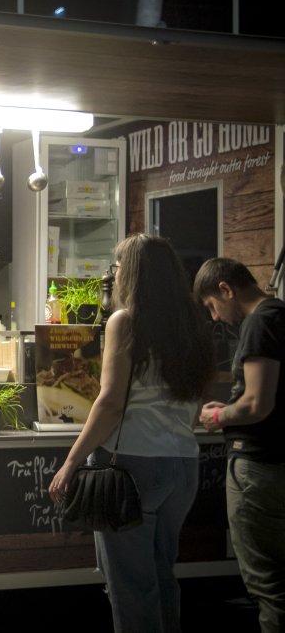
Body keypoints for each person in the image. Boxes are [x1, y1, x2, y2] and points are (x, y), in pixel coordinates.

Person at [48, 234, 214, 633]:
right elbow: (194, 403)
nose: (115, 274)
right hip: (182, 467)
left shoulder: (124, 321)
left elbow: (109, 403)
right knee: (161, 575)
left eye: (119, 266)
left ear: (133, 273)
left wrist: (71, 463)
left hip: (131, 469)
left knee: (131, 588)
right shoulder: (193, 325)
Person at [195, 257, 285, 633]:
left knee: (269, 587)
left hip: (258, 468)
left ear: (226, 290)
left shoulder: (260, 322)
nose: (215, 317)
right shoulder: (280, 314)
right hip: (276, 464)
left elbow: (256, 404)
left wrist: (218, 417)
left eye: (212, 306)